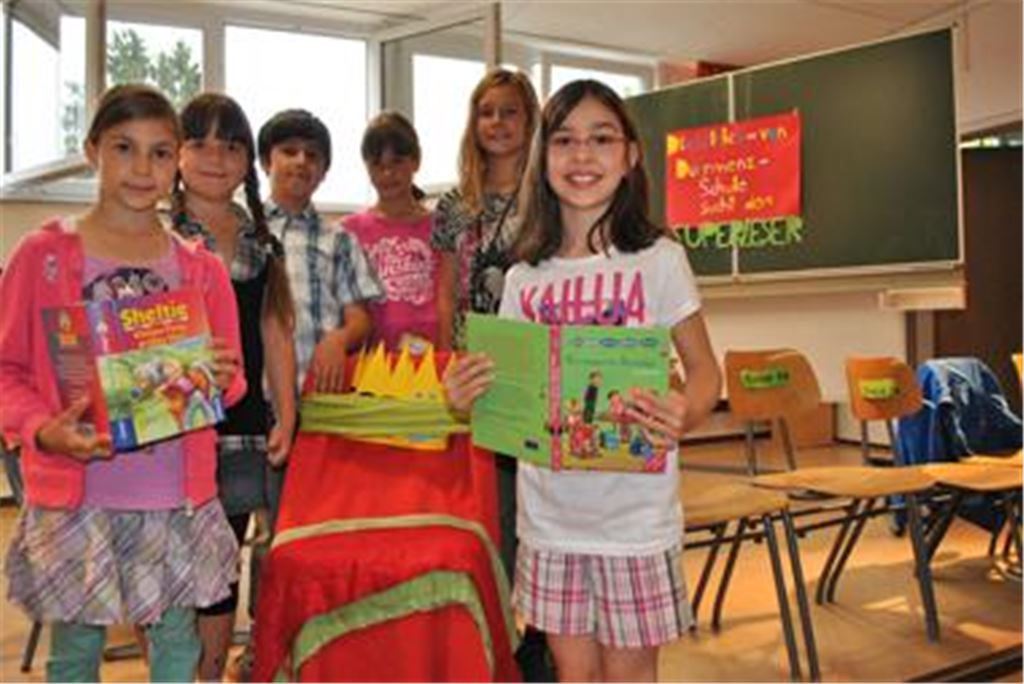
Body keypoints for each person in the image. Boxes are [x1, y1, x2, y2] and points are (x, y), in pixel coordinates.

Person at [443, 79, 722, 682]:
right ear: (542, 158)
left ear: (630, 156)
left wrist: (687, 411)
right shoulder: (524, 277)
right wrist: (466, 396)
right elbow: (506, 394)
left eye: (601, 138)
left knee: (629, 676)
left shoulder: (659, 259)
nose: (582, 155)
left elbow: (705, 372)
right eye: (564, 140)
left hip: (635, 523)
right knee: (574, 675)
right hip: (550, 523)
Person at [0, 83, 246, 682]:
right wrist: (43, 430)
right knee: (75, 653)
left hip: (174, 497)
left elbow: (232, 378)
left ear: (177, 161)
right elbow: (6, 371)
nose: (142, 168)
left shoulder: (200, 268)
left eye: (159, 153)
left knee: (177, 645)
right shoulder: (44, 255)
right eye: (123, 148)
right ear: (92, 152)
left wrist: (215, 379)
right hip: (77, 498)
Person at [171, 92, 298, 681]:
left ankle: (212, 670)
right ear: (175, 155)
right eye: (198, 143)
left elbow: (276, 331)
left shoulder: (261, 242)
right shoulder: (161, 239)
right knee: (180, 569)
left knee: (224, 565)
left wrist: (287, 415)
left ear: (248, 160)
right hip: (177, 435)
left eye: (230, 146)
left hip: (246, 429)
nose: (214, 158)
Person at [258, 109, 384, 394]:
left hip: (320, 395)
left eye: (312, 155)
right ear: (266, 161)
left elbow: (360, 319)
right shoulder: (244, 232)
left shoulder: (340, 240)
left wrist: (340, 338)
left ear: (324, 172)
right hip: (256, 396)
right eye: (289, 151)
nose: (301, 161)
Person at [433, 67, 540, 351]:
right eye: (486, 113)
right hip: (467, 352)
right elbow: (446, 292)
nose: (497, 121)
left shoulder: (546, 199)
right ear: (474, 123)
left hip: (529, 349)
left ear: (530, 120)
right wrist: (445, 355)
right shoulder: (453, 204)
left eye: (509, 112)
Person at [343, 112, 440, 351]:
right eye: (378, 165)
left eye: (397, 162)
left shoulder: (442, 227)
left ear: (416, 161)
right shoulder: (349, 231)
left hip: (437, 356)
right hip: (376, 362)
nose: (388, 174)